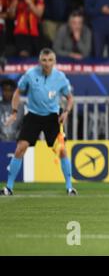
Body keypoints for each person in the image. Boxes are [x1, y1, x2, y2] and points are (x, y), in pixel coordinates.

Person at [0, 48, 76, 196]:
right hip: (33, 115)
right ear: (39, 62)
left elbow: (70, 98)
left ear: (54, 62)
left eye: (50, 60)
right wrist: (15, 112)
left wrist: (66, 112)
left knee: (62, 150)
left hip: (52, 117)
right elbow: (18, 92)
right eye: (44, 60)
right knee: (20, 148)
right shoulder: (30, 74)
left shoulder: (60, 78)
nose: (47, 64)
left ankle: (69, 187)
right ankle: (8, 187)